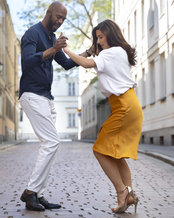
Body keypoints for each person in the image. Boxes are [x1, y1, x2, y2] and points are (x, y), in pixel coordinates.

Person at [62, 19, 142, 214]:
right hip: (127, 105)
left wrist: (65, 50)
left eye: (101, 37)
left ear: (110, 35)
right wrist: (91, 49)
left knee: (99, 149)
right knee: (115, 154)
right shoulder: (117, 53)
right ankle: (128, 195)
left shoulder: (111, 52)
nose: (98, 42)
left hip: (123, 106)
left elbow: (85, 63)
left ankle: (121, 191)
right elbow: (91, 57)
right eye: (96, 38)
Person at [18, 1, 89, 211]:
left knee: (49, 146)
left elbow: (66, 64)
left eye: (63, 19)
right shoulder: (32, 34)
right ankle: (30, 192)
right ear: (48, 13)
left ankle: (38, 193)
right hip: (32, 94)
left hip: (47, 98)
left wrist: (87, 52)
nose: (60, 21)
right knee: (51, 142)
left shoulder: (51, 38)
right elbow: (27, 62)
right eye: (58, 17)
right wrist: (52, 49)